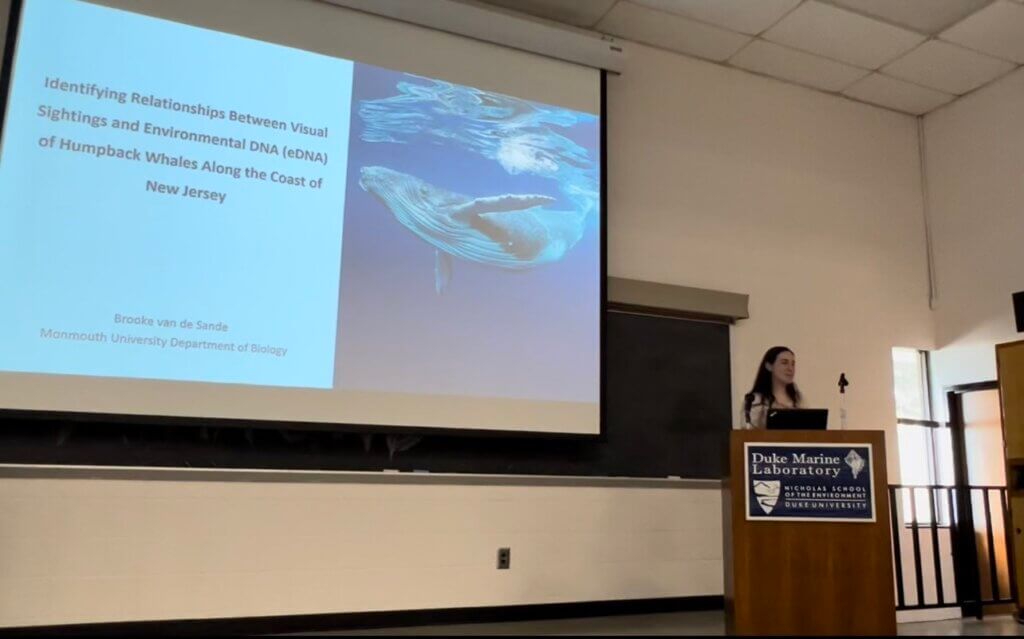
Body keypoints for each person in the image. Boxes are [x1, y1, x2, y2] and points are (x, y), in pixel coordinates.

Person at [741, 346, 802, 429]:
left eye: (793, 364)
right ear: (769, 366)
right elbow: (747, 433)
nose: (790, 368)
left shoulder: (798, 400)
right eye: (784, 363)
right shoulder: (754, 400)